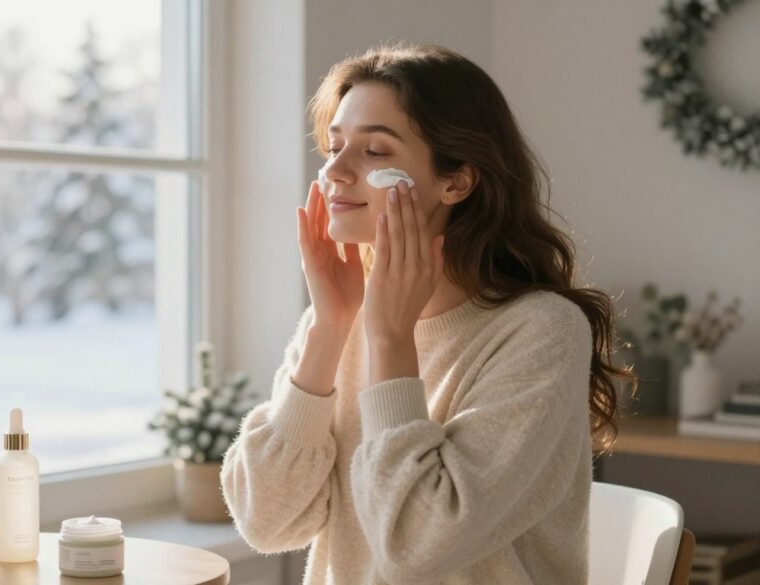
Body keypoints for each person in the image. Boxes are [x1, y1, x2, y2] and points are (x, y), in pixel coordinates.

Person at [220, 43, 633, 585]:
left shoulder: (541, 331)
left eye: (375, 152)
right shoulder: (341, 321)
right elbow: (266, 524)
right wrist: (329, 328)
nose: (335, 172)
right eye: (335, 145)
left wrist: (390, 340)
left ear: (456, 181)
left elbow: (416, 545)